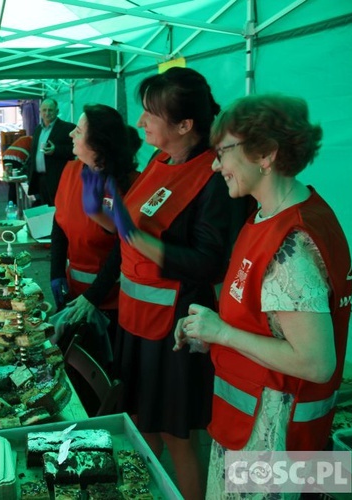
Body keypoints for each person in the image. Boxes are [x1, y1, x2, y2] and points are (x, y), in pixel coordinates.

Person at [173, 94, 352, 499]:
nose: (216, 165)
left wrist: (223, 333)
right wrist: (214, 335)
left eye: (223, 153)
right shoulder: (270, 215)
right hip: (264, 434)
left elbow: (317, 362)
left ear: (266, 154)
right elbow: (269, 324)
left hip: (274, 449)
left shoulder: (293, 243)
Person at [85, 67, 250, 499]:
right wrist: (106, 218)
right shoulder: (159, 162)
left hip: (174, 329)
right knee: (141, 424)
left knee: (178, 435)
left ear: (184, 125)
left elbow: (208, 264)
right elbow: (131, 230)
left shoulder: (214, 179)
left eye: (150, 115)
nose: (140, 123)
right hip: (135, 322)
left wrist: (142, 240)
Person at [51, 107, 139, 371]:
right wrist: (56, 271)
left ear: (98, 144)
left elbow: (123, 248)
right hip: (74, 291)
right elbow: (59, 221)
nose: (70, 134)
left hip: (112, 301)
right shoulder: (71, 170)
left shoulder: (126, 184)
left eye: (78, 131)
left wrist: (95, 295)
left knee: (104, 369)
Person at [26, 98, 76, 206]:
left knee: (58, 208)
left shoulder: (68, 128)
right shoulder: (38, 129)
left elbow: (75, 150)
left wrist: (56, 150)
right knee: (44, 209)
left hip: (57, 179)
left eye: (50, 110)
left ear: (57, 112)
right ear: (40, 112)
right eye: (44, 110)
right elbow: (33, 152)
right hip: (39, 180)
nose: (47, 113)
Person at [2, 134, 32, 204]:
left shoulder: (25, 138)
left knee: (11, 182)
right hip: (17, 158)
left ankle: (11, 203)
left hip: (6, 157)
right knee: (16, 183)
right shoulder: (34, 140)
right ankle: (15, 203)